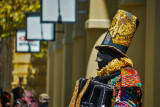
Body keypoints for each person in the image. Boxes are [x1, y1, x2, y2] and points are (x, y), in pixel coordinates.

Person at [69, 10, 142, 107]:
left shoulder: (129, 75)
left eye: (103, 52)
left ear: (115, 56)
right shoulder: (99, 78)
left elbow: (128, 104)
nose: (98, 56)